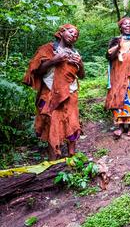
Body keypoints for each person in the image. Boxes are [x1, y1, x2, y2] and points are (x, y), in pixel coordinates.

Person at [23, 24, 84, 160]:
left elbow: (82, 75)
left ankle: (72, 156)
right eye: (71, 32)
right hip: (50, 92)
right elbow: (37, 70)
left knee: (72, 122)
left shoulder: (75, 53)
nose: (74, 35)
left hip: (70, 93)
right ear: (61, 32)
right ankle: (53, 160)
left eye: (76, 35)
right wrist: (54, 60)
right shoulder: (48, 49)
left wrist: (81, 63)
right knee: (52, 123)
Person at [105, 17, 130, 138]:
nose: (128, 26)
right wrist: (118, 46)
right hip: (117, 75)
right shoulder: (115, 40)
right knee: (118, 97)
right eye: (125, 24)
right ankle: (120, 126)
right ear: (121, 27)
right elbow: (109, 57)